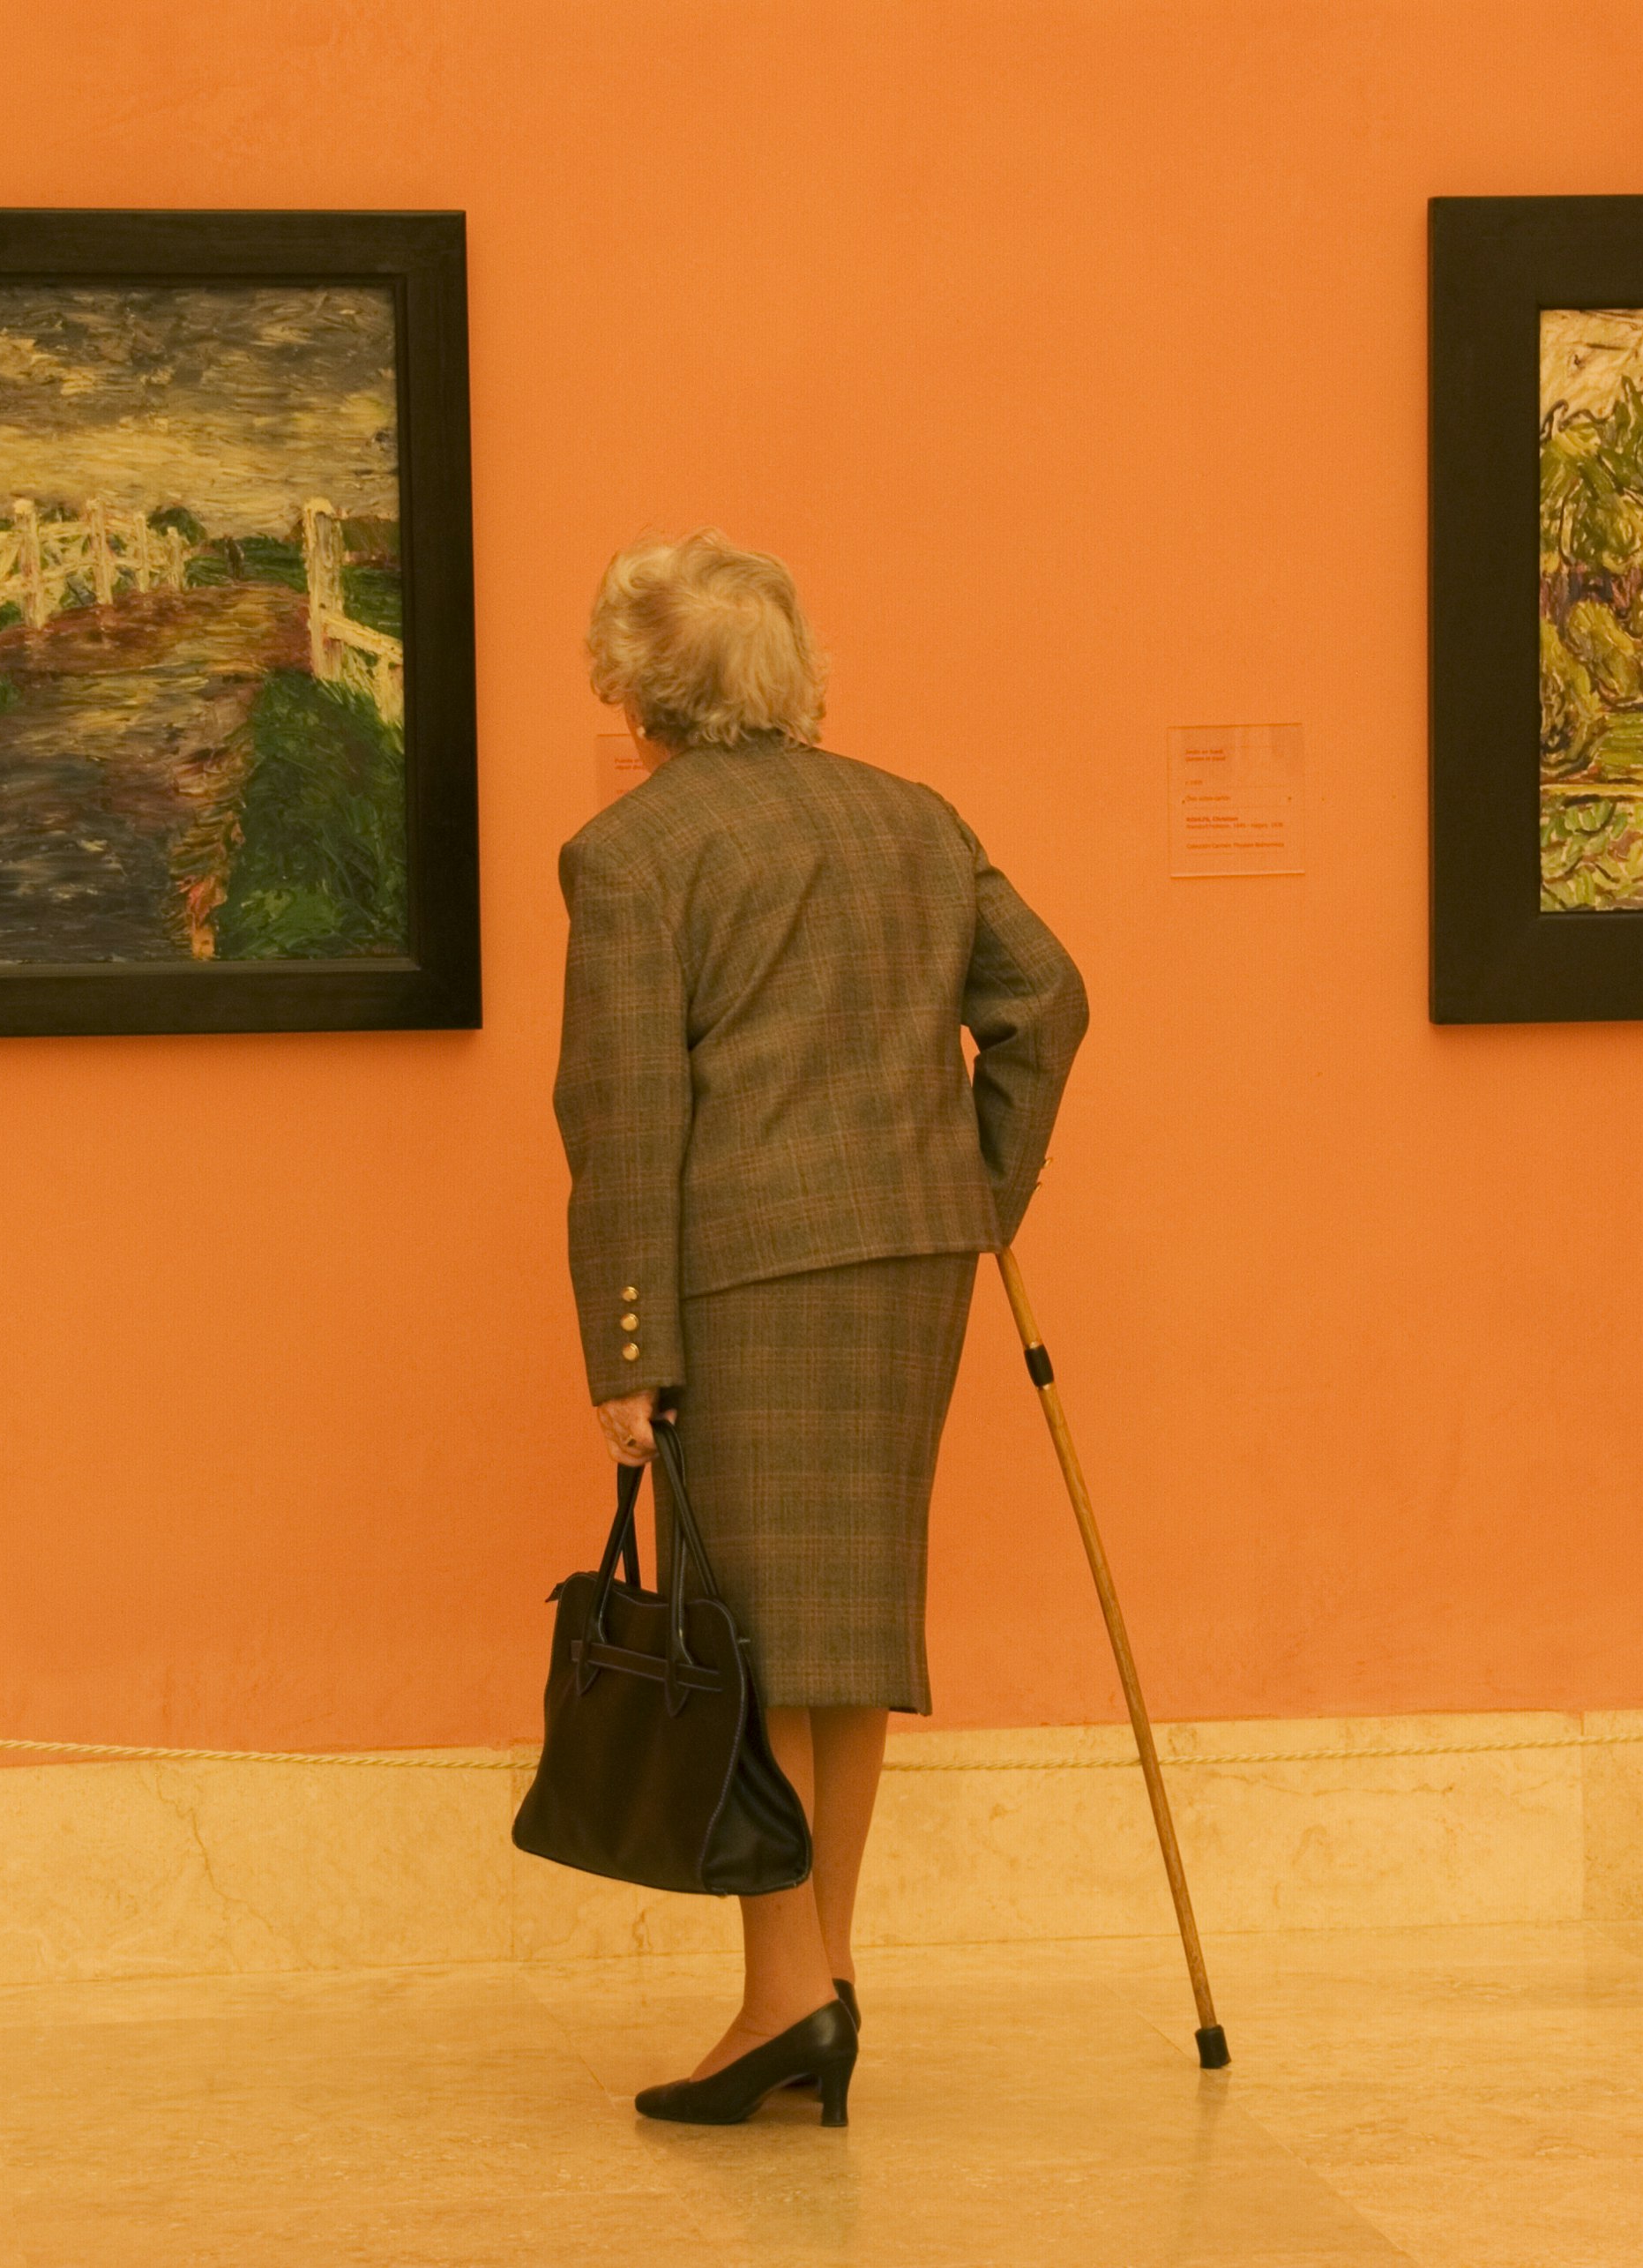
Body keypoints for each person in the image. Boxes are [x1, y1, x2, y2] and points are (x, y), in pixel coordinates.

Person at [553, 530, 1087, 2127]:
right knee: (838, 1637)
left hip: (745, 1278)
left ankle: (787, 1998)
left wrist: (627, 1344)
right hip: (910, 1266)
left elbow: (622, 1114)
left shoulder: (633, 853)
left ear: (633, 686)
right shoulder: (913, 820)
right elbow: (1046, 1001)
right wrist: (972, 1194)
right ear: (789, 673)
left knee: (758, 1644)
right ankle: (819, 1982)